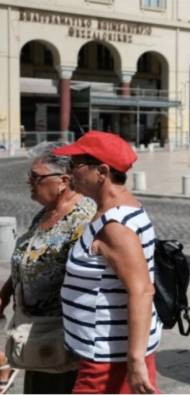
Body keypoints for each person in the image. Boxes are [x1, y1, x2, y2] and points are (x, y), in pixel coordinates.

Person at [53, 131, 161, 394]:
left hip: (109, 361)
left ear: (101, 171)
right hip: (106, 352)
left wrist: (135, 361)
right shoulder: (115, 212)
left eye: (74, 165)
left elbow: (142, 290)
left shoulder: (115, 226)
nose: (68, 173)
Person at [1, 142, 96, 393]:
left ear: (63, 181)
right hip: (36, 332)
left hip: (64, 337)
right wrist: (7, 289)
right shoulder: (46, 212)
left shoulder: (84, 218)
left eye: (35, 176)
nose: (28, 181)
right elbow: (29, 256)